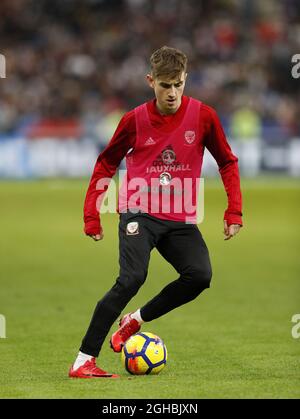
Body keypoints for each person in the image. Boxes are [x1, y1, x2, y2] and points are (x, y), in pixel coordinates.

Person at [69, 46, 243, 378]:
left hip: (179, 217)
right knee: (132, 278)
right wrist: (91, 214)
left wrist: (234, 212)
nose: (173, 93)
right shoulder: (133, 120)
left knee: (200, 276)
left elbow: (227, 162)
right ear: (151, 82)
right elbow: (106, 162)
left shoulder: (204, 116)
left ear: (185, 79)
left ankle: (135, 320)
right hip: (139, 211)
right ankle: (83, 360)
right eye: (165, 85)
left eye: (178, 84)